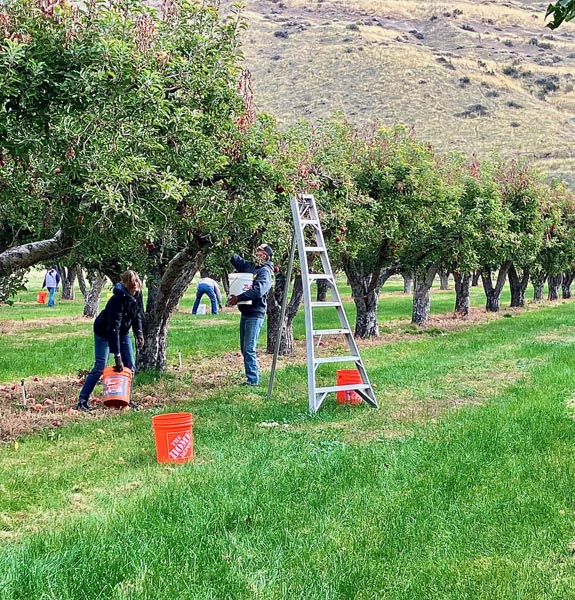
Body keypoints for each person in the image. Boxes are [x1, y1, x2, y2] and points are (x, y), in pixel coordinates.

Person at [76, 270, 145, 412]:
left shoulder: (137, 295)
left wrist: (138, 332)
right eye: (132, 284)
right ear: (126, 284)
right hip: (104, 332)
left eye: (136, 283)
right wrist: (117, 356)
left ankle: (125, 399)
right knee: (100, 366)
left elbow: (137, 314)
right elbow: (113, 328)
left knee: (130, 367)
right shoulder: (116, 300)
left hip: (123, 332)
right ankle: (82, 400)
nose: (135, 287)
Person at [229, 244, 274, 386]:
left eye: (259, 251)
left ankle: (253, 380)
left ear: (265, 255)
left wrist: (239, 298)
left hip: (255, 313)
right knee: (244, 347)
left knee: (249, 348)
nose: (256, 253)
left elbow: (258, 290)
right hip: (246, 312)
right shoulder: (251, 267)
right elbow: (236, 260)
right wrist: (226, 244)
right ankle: (251, 378)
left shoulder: (264, 271)